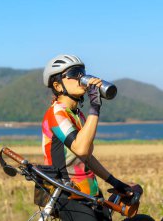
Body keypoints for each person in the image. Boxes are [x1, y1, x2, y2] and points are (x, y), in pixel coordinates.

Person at [42, 54, 131, 221]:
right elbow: (81, 149)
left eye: (82, 72)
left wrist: (114, 182)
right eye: (74, 73)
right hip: (67, 194)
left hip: (89, 192)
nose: (81, 77)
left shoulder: (78, 115)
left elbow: (87, 157)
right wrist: (95, 107)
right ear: (58, 86)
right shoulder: (55, 113)